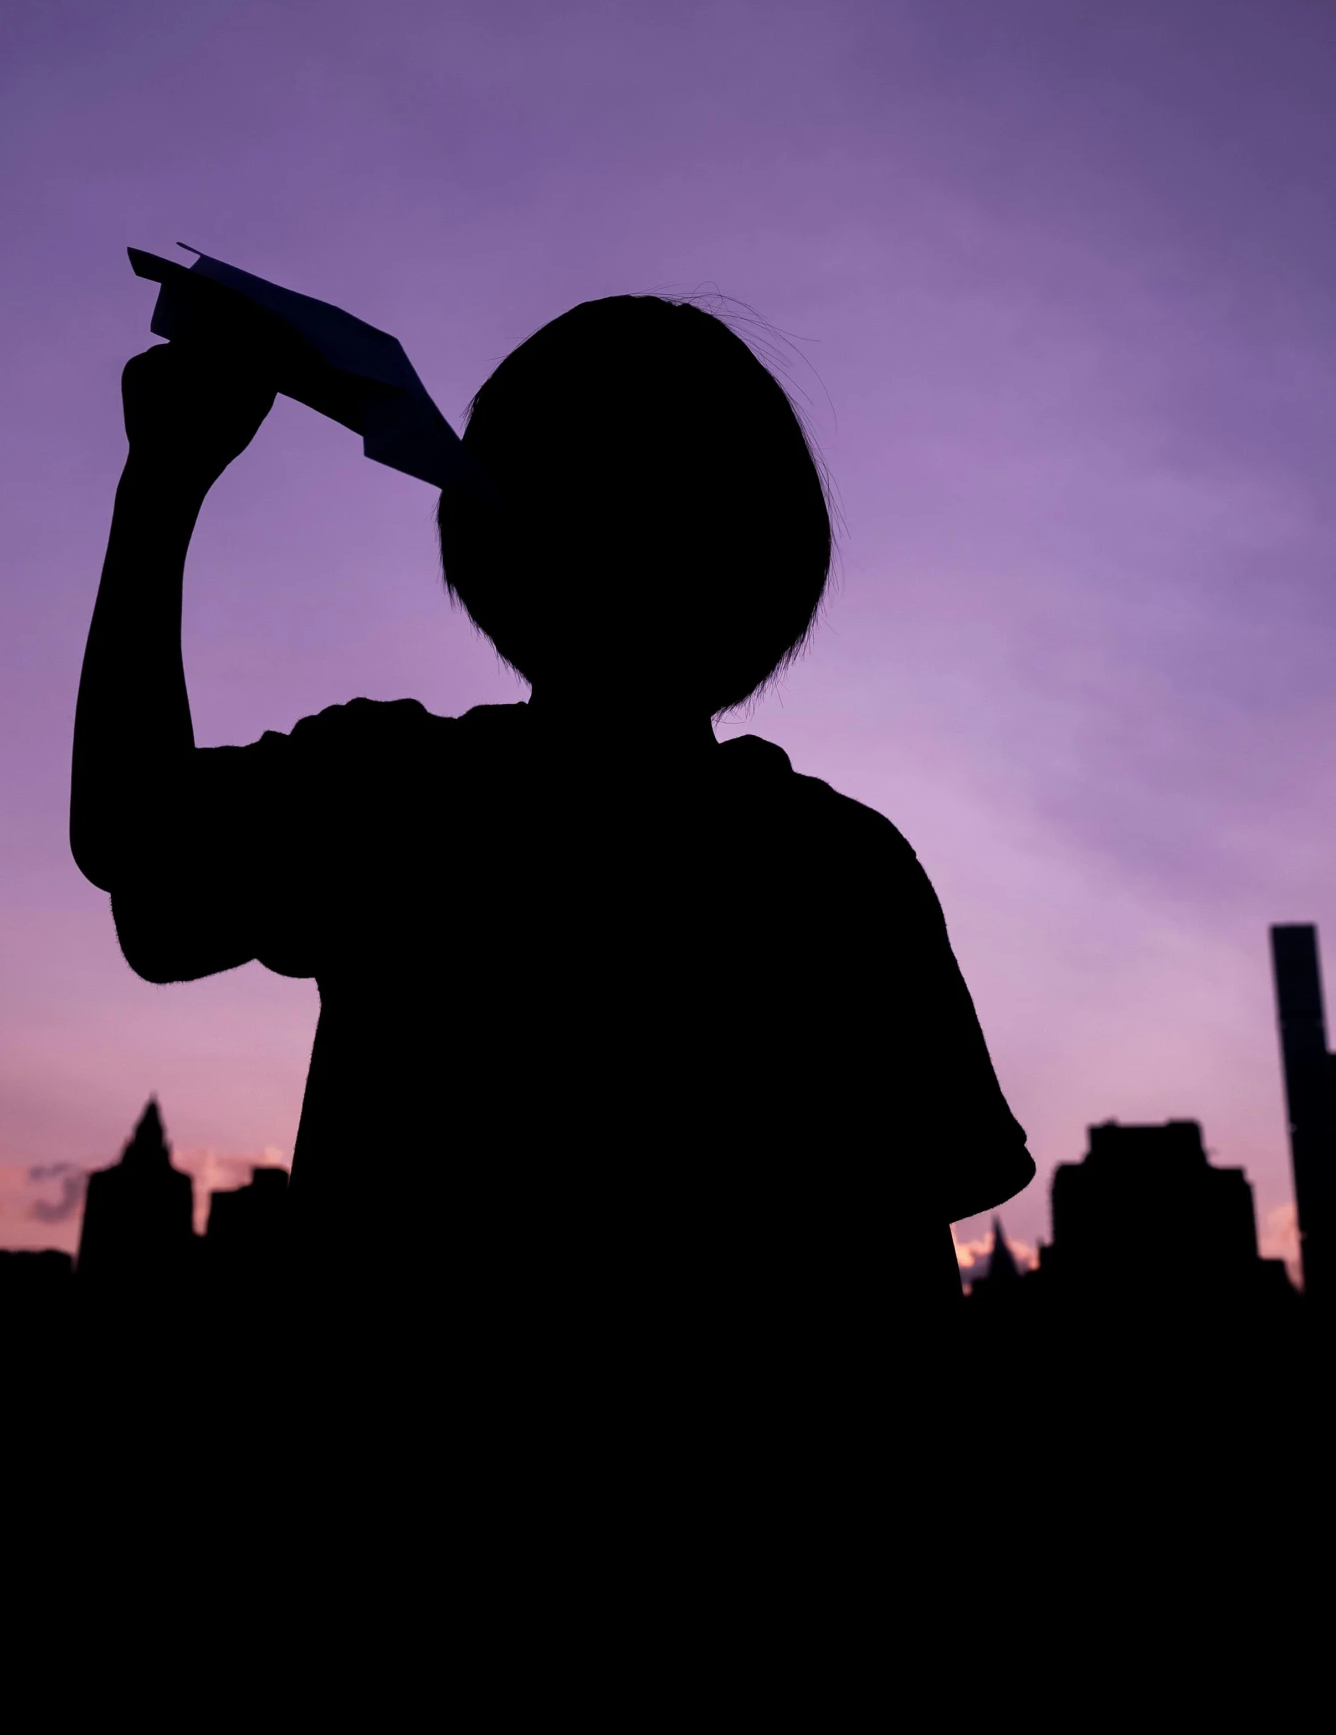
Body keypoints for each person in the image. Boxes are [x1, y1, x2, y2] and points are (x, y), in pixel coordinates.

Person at [71, 294, 1032, 1447]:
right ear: (772, 562)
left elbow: (138, 859)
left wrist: (166, 477)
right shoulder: (840, 868)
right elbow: (906, 1288)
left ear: (488, 542)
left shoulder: (400, 796)